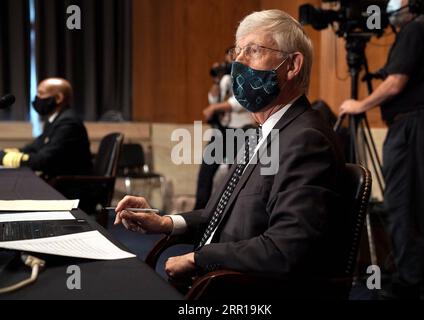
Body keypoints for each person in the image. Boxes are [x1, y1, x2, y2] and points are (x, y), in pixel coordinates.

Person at [115, 10, 346, 298]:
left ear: (292, 65)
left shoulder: (306, 140)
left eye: (253, 50)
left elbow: (285, 248)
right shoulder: (263, 133)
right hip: (217, 283)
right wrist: (166, 222)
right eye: (236, 52)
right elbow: (218, 214)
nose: (238, 63)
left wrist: (197, 259)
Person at [339, 0, 424, 299]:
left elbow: (396, 82)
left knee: (404, 205)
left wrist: (359, 104)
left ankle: (408, 284)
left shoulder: (415, 30)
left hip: (416, 129)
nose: (389, 4)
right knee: (422, 207)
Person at [195, 49, 256, 210]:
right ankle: (199, 215)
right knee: (205, 174)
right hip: (222, 131)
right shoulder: (225, 79)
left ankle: (226, 214)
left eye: (232, 61)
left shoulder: (247, 77)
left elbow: (238, 102)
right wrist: (216, 80)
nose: (229, 65)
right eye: (227, 62)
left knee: (232, 177)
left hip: (241, 131)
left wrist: (214, 107)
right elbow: (214, 98)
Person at [0, 78, 93, 180]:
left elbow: (44, 161)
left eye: (41, 93)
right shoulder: (54, 120)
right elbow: (34, 148)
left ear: (58, 98)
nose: (37, 98)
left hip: (72, 186)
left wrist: (4, 157)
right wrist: (4, 153)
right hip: (58, 182)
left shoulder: (68, 123)